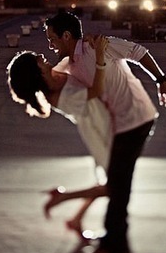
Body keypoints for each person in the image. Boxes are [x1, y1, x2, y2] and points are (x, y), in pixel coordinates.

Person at [45, 11, 166, 253]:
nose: (50, 45)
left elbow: (139, 52)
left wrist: (161, 80)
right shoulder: (67, 64)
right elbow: (49, 78)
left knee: (118, 186)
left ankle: (113, 245)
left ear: (67, 35)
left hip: (137, 118)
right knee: (116, 182)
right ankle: (102, 234)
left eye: (53, 39)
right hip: (118, 125)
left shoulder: (100, 45)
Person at [7, 36, 113, 239]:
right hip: (101, 134)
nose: (41, 56)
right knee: (113, 186)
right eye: (37, 59)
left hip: (104, 127)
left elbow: (73, 60)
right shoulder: (58, 97)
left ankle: (76, 219)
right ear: (36, 72)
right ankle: (62, 197)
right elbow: (96, 89)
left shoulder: (56, 78)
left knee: (109, 182)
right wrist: (100, 56)